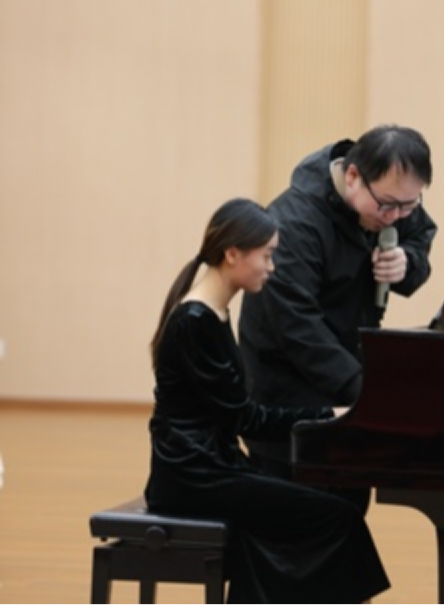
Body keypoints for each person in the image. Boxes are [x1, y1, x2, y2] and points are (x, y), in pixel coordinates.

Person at [144, 197, 390, 605]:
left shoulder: (213, 314)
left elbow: (236, 416)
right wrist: (328, 415)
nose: (272, 267)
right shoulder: (195, 321)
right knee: (337, 515)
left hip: (210, 467)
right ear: (232, 254)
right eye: (267, 255)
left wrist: (327, 416)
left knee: (318, 514)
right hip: (192, 476)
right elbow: (246, 420)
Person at [238, 125, 437, 507]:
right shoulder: (294, 224)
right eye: (388, 206)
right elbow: (298, 328)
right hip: (288, 399)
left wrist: (408, 261)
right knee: (300, 523)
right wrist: (368, 392)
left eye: (409, 206)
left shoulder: (391, 198)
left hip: (347, 382)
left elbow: (420, 235)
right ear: (352, 176)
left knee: (348, 515)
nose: (396, 217)